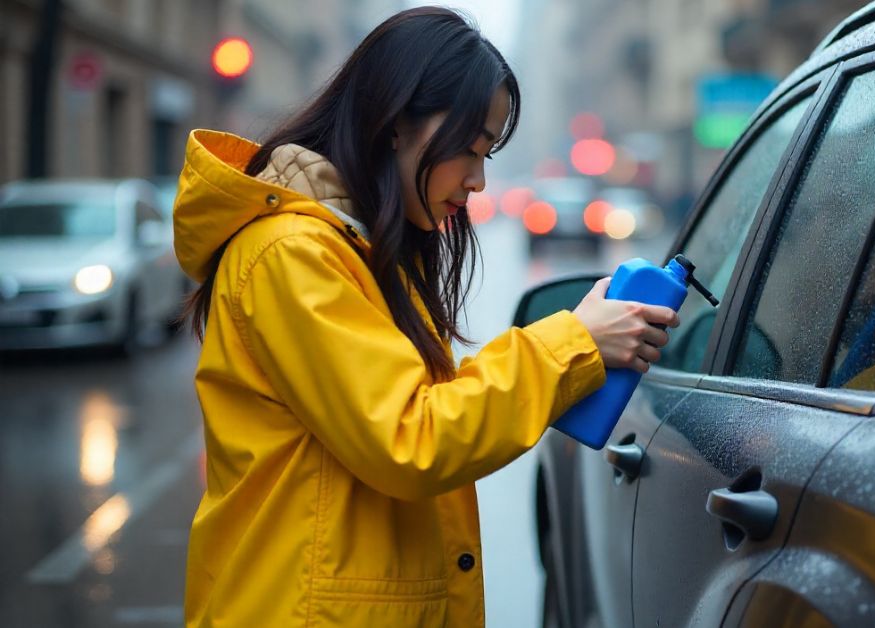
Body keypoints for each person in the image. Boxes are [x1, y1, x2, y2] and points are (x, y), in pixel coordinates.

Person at [172, 8, 678, 627]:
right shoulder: (293, 255)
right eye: (469, 149)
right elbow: (410, 438)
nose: (478, 180)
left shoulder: (355, 248)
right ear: (395, 122)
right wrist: (574, 343)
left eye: (487, 153)